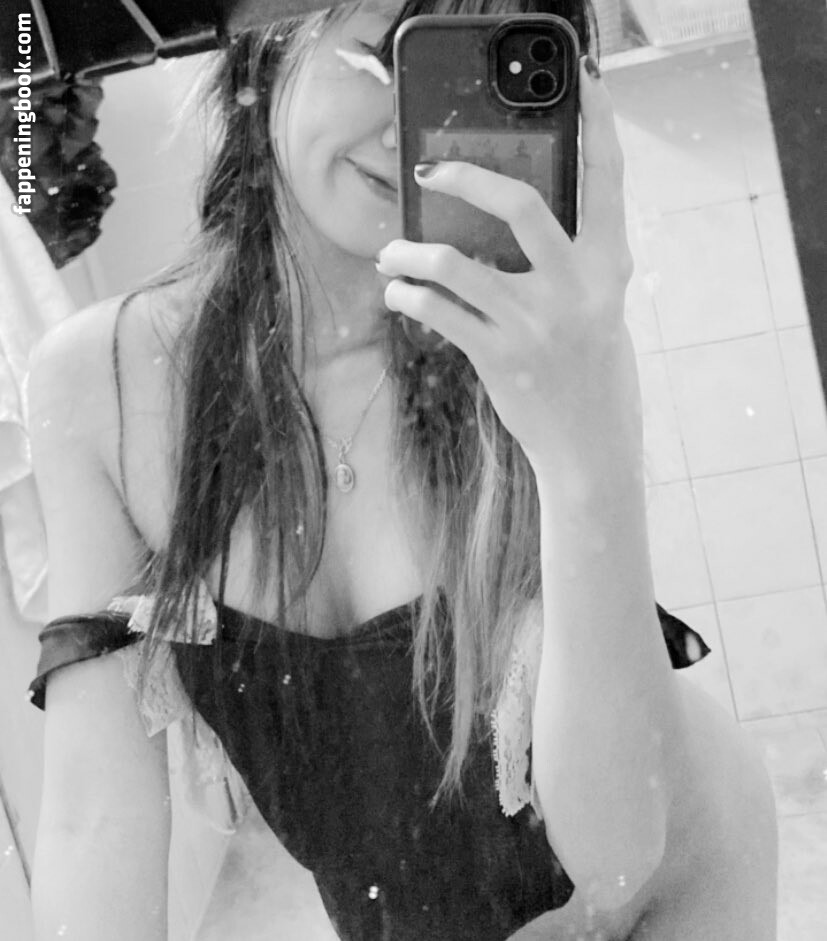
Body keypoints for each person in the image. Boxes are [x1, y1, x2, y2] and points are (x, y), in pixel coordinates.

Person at [25, 1, 778, 939]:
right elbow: (94, 815)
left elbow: (617, 854)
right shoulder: (105, 383)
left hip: (667, 891)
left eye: (455, 83)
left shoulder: (530, 347)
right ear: (270, 44)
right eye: (384, 59)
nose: (407, 132)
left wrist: (585, 446)